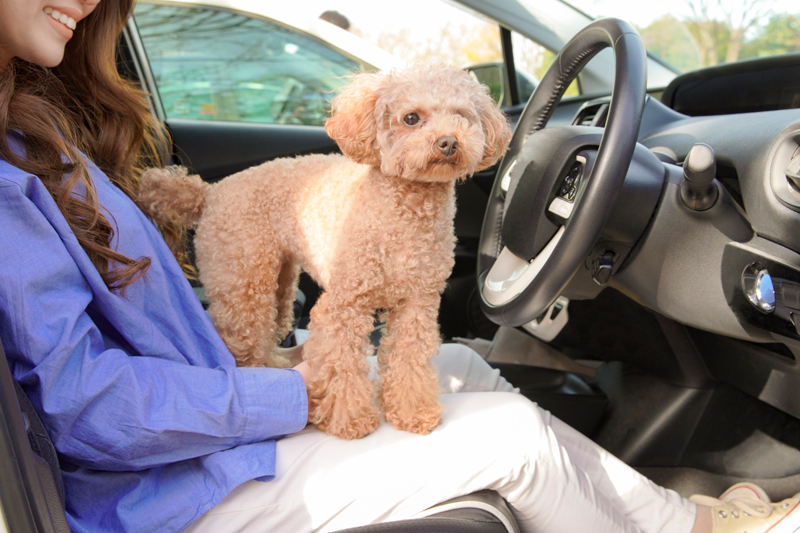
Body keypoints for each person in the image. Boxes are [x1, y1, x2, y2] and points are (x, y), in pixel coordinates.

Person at [1, 1, 799, 532]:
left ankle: (681, 520)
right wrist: (291, 388)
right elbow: (84, 403)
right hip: (159, 489)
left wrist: (275, 378)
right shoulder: (9, 181)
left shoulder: (33, 133)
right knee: (513, 437)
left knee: (453, 360)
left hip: (196, 428)